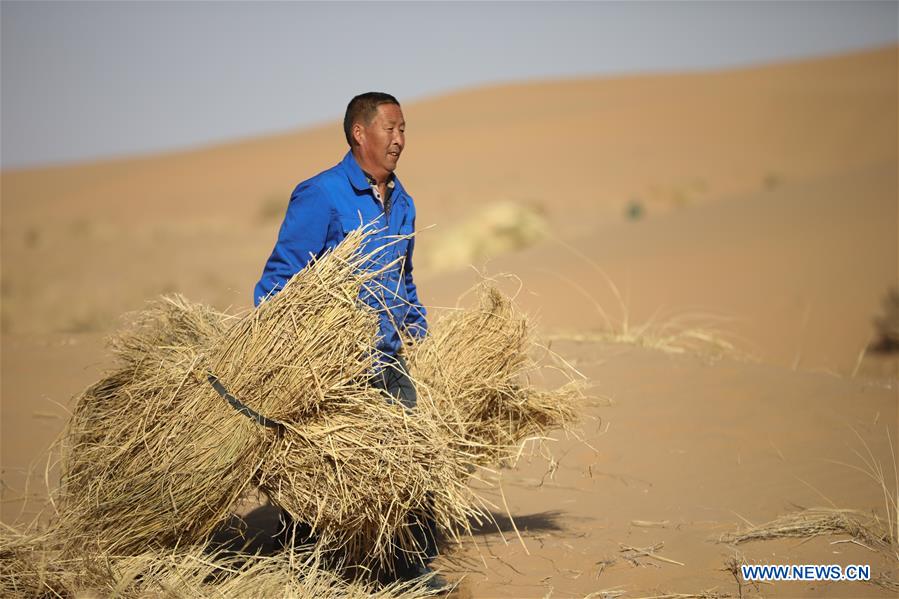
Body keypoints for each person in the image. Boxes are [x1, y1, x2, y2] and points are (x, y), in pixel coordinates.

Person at [253, 92, 445, 590]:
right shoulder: (321, 193)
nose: (400, 139)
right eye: (390, 129)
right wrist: (285, 353)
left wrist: (418, 335)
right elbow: (282, 277)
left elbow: (404, 281)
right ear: (360, 133)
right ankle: (298, 570)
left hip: (388, 359)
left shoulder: (404, 202)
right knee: (320, 471)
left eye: (404, 130)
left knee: (407, 464)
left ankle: (408, 572)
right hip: (330, 365)